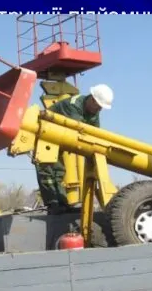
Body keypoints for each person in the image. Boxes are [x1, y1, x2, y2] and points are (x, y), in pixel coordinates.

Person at [36, 84, 114, 214]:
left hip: (58, 139)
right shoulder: (73, 105)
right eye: (99, 106)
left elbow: (95, 133)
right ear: (93, 99)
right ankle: (53, 204)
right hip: (45, 136)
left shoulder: (93, 112)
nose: (100, 110)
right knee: (47, 171)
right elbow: (76, 132)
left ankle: (62, 204)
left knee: (59, 171)